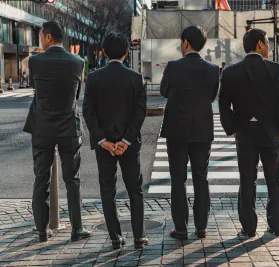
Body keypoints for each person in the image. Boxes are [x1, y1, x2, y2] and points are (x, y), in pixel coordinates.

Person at [219, 29, 279, 237]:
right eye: (267, 42)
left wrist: (232, 128)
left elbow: (223, 105)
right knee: (274, 181)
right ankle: (275, 226)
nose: (269, 46)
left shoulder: (231, 72)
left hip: (245, 133)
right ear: (260, 44)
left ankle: (248, 228)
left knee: (247, 180)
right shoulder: (276, 69)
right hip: (272, 134)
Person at [23, 21, 91, 242]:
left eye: (41, 36)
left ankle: (42, 231)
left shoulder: (35, 61)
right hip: (69, 127)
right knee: (72, 179)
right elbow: (76, 93)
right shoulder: (78, 62)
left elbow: (37, 89)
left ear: (49, 37)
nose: (40, 40)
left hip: (42, 126)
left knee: (40, 178)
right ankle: (77, 228)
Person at [82, 33, 148, 249]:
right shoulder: (136, 78)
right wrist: (126, 140)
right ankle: (139, 236)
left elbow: (88, 112)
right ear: (127, 53)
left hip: (104, 146)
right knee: (135, 190)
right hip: (129, 145)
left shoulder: (93, 78)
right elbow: (139, 114)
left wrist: (103, 140)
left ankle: (115, 237)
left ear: (104, 52)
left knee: (107, 189)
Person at [160, 26, 219, 240]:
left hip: (176, 130)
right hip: (202, 129)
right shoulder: (213, 69)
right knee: (201, 178)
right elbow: (212, 96)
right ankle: (201, 226)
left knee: (178, 179)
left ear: (185, 43)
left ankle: (181, 228)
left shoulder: (173, 66)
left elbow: (163, 91)